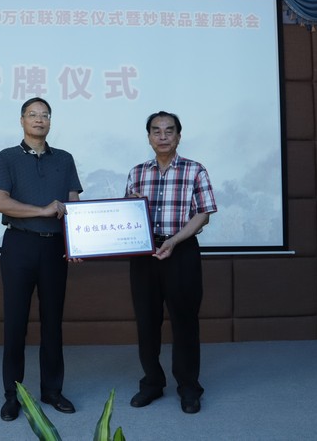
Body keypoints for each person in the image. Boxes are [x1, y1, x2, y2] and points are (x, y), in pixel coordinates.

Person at [0, 97, 83, 422]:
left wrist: (77, 243)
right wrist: (42, 210)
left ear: (50, 122)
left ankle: (52, 391)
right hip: (19, 244)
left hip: (55, 247)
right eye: (33, 114)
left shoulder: (65, 159)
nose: (39, 119)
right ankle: (12, 395)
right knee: (15, 322)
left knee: (52, 322)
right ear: (22, 120)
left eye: (45, 115)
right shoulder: (6, 157)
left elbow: (73, 204)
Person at [124, 110, 217, 414]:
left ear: (178, 136)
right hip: (144, 254)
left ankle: (189, 387)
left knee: (185, 321)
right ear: (149, 137)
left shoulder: (195, 170)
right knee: (146, 321)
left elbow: (203, 214)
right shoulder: (137, 172)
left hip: (182, 250)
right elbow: (127, 216)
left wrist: (174, 241)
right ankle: (152, 382)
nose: (162, 136)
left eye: (169, 131)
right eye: (156, 131)